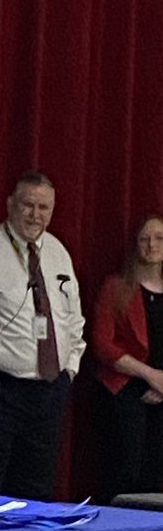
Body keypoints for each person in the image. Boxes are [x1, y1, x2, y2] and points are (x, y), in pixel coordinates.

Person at [0, 171, 86, 501]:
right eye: (28, 205)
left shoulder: (58, 252)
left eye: (44, 207)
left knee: (38, 489)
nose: (36, 215)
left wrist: (70, 368)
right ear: (10, 205)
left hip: (50, 389)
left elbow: (73, 318)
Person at [91, 215, 163, 502]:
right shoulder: (116, 288)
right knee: (125, 471)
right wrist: (150, 375)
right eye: (145, 239)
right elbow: (101, 343)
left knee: (154, 474)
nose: (152, 245)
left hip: (162, 393)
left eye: (159, 238)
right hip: (124, 390)